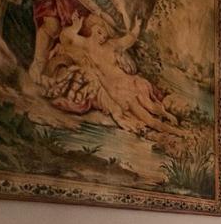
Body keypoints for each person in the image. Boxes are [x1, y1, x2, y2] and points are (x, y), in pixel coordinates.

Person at [51, 14, 184, 138]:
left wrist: (137, 26)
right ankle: (179, 132)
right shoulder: (86, 45)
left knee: (151, 106)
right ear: (92, 31)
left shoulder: (111, 44)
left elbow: (128, 40)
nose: (103, 37)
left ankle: (167, 115)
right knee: (148, 119)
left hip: (129, 82)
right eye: (99, 32)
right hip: (118, 90)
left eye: (104, 33)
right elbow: (66, 37)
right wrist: (75, 28)